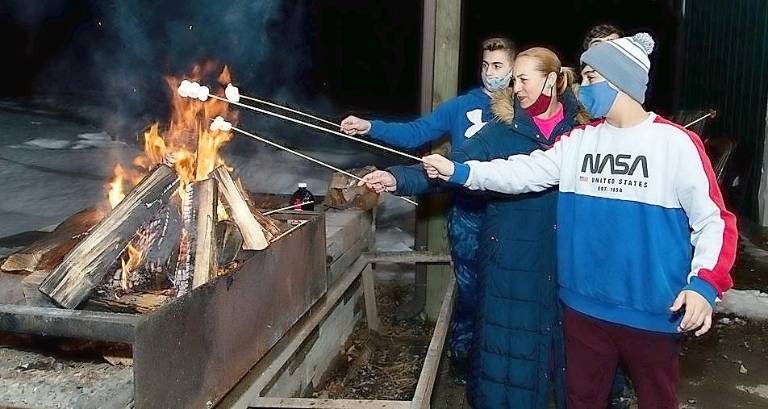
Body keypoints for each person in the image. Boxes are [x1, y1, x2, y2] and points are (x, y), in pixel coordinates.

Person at [421, 33, 737, 409]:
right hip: (583, 310)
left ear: (619, 81)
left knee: (657, 401)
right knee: (581, 400)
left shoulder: (675, 144)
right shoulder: (580, 141)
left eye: (589, 78)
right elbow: (522, 171)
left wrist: (704, 284)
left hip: (652, 312)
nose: (580, 88)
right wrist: (461, 171)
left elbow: (714, 221)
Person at [359, 47, 587, 408]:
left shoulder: (583, 133)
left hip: (566, 262)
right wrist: (397, 178)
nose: (516, 88)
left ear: (551, 82)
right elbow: (453, 168)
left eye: (523, 79)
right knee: (507, 356)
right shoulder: (500, 132)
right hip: (511, 261)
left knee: (570, 357)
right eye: (513, 81)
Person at [340, 37, 517, 384]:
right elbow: (416, 133)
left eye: (497, 66)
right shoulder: (462, 107)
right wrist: (370, 126)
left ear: (513, 69)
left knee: (507, 293)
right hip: (467, 215)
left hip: (510, 215)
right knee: (469, 293)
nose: (489, 73)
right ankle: (463, 361)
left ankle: (502, 363)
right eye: (484, 65)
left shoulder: (521, 110)